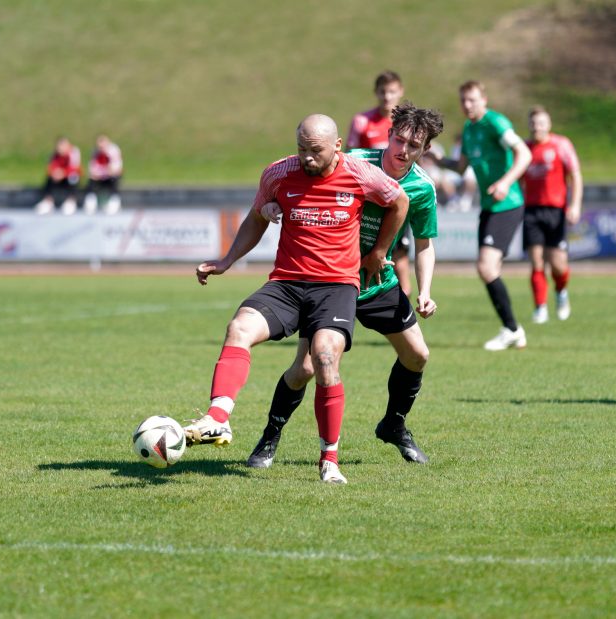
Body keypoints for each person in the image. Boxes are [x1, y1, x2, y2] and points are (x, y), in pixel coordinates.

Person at [189, 114, 409, 484]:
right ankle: (217, 419)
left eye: (315, 151)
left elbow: (398, 202)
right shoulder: (278, 173)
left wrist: (379, 251)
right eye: (301, 149)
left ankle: (329, 460)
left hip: (336, 287)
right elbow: (257, 215)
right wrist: (227, 260)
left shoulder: (359, 174)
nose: (306, 158)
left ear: (337, 146)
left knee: (322, 358)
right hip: (287, 283)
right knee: (239, 327)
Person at [246, 103, 444, 470]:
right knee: (305, 368)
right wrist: (271, 203)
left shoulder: (421, 188)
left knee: (418, 354)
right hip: (329, 280)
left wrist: (425, 291)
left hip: (375, 281)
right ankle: (270, 436)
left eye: (414, 146)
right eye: (399, 140)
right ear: (388, 134)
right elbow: (296, 176)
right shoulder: (350, 161)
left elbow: (424, 244)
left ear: (425, 150)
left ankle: (394, 425)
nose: (403, 151)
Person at [451, 80, 531, 351]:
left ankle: (512, 329)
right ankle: (512, 330)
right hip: (489, 206)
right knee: (488, 269)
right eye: (463, 100)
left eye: (472, 100)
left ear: (484, 99)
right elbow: (461, 168)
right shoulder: (468, 128)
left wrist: (506, 182)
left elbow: (524, 153)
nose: (467, 105)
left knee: (486, 267)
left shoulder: (496, 123)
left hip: (507, 203)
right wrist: (432, 158)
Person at [347, 71, 413, 295]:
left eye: (392, 91)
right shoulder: (363, 121)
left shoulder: (406, 124)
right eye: (383, 92)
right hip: (369, 198)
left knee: (400, 251)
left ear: (400, 92)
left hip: (398, 197)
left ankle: (403, 298)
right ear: (376, 93)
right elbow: (349, 156)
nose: (387, 97)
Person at [522, 105, 583, 324]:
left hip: (556, 211)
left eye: (541, 123)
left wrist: (574, 205)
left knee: (558, 264)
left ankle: (561, 292)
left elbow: (575, 175)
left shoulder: (561, 145)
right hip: (531, 210)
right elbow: (517, 177)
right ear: (529, 125)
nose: (537, 127)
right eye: (533, 123)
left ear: (549, 125)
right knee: (536, 261)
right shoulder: (524, 149)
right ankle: (540, 307)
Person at [34, 137, 81, 215]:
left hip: (68, 177)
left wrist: (63, 173)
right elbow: (50, 167)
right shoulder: (55, 154)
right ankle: (48, 202)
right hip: (58, 178)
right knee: (49, 179)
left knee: (73, 178)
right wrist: (55, 173)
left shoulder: (74, 152)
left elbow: (75, 168)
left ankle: (71, 201)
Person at [82, 134, 123, 214]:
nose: (101, 148)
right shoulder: (95, 152)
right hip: (99, 177)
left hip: (110, 176)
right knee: (91, 181)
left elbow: (117, 168)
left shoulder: (114, 151)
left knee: (115, 179)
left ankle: (114, 201)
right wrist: (98, 174)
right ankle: (91, 201)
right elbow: (92, 168)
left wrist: (107, 171)